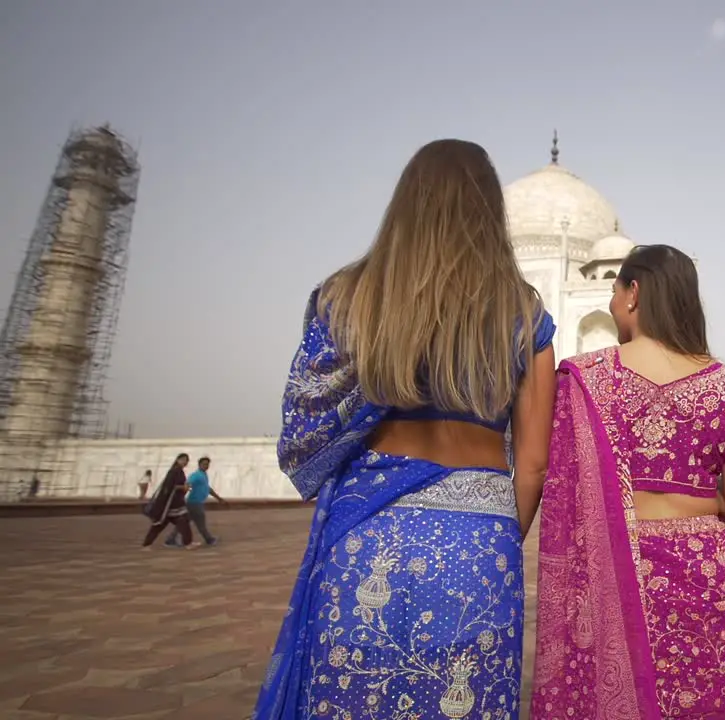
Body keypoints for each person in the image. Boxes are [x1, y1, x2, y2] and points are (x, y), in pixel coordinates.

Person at [252, 139, 556, 720]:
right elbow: (535, 461)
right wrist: (487, 532)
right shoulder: (524, 311)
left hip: (371, 529)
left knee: (351, 696)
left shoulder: (349, 297)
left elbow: (306, 423)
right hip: (480, 538)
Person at [532, 244, 725, 719]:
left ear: (633, 293)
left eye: (615, 292)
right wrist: (697, 503)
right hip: (707, 573)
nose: (613, 304)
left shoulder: (583, 378)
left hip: (616, 566)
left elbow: (559, 490)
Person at [165, 456, 224, 547]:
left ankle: (170, 539)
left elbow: (207, 488)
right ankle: (209, 539)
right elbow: (187, 484)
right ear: (199, 464)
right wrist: (184, 490)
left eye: (207, 464)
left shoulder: (203, 475)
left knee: (184, 522)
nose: (206, 466)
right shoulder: (196, 475)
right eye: (204, 464)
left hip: (194, 503)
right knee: (200, 522)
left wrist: (218, 498)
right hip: (195, 503)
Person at [142, 454, 193, 549]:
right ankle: (147, 544)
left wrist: (184, 488)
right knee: (160, 525)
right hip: (169, 504)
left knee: (183, 521)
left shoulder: (179, 471)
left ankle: (187, 543)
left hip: (176, 503)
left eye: (186, 460)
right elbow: (170, 486)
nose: (185, 462)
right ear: (177, 460)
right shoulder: (173, 472)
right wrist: (183, 487)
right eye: (183, 460)